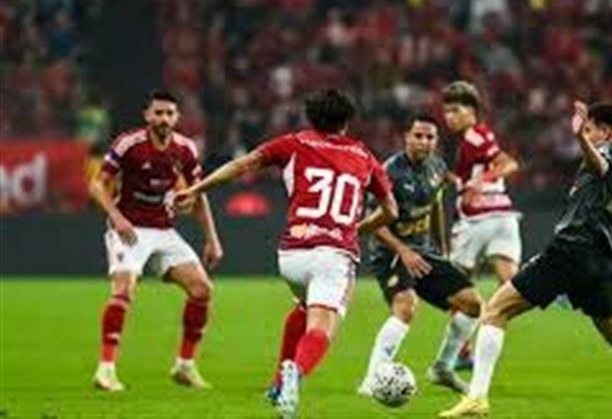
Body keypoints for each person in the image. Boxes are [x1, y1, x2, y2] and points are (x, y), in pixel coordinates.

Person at [439, 101, 612, 417]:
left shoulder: (606, 152)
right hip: (600, 262)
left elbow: (601, 165)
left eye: (591, 129)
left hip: (571, 249)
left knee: (495, 311)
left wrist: (580, 139)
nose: (588, 134)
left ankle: (477, 399)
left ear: (606, 132)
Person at [175, 89, 398, 418]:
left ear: (312, 118)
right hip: (333, 254)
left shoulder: (293, 143)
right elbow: (391, 210)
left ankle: (279, 381)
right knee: (323, 328)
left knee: (304, 307)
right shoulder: (364, 156)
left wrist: (196, 188)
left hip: (292, 255)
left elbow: (242, 165)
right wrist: (357, 227)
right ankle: (296, 374)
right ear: (347, 122)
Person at [90, 90, 223, 392]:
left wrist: (212, 240)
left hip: (163, 230)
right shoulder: (129, 144)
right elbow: (97, 184)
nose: (164, 118)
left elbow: (198, 195)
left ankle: (185, 366)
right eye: (158, 113)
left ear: (177, 117)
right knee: (123, 290)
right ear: (147, 116)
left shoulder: (185, 149)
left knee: (202, 290)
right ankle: (105, 369)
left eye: (169, 113)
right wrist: (117, 218)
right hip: (129, 230)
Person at [358, 113, 483, 396]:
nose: (424, 141)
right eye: (418, 136)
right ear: (406, 137)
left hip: (424, 251)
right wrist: (402, 250)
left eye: (430, 137)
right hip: (390, 252)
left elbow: (435, 205)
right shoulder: (389, 172)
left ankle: (443, 368)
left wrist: (443, 248)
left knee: (473, 304)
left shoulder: (437, 167)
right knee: (406, 307)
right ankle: (372, 379)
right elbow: (372, 221)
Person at [441, 80, 523, 369]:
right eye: (446, 111)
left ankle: (462, 353)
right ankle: (549, 285)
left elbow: (508, 164)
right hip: (503, 214)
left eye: (456, 110)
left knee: (456, 289)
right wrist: (455, 179)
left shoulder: (476, 135)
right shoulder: (473, 139)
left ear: (472, 111)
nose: (449, 117)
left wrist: (480, 181)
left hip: (477, 219)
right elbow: (475, 174)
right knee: (511, 286)